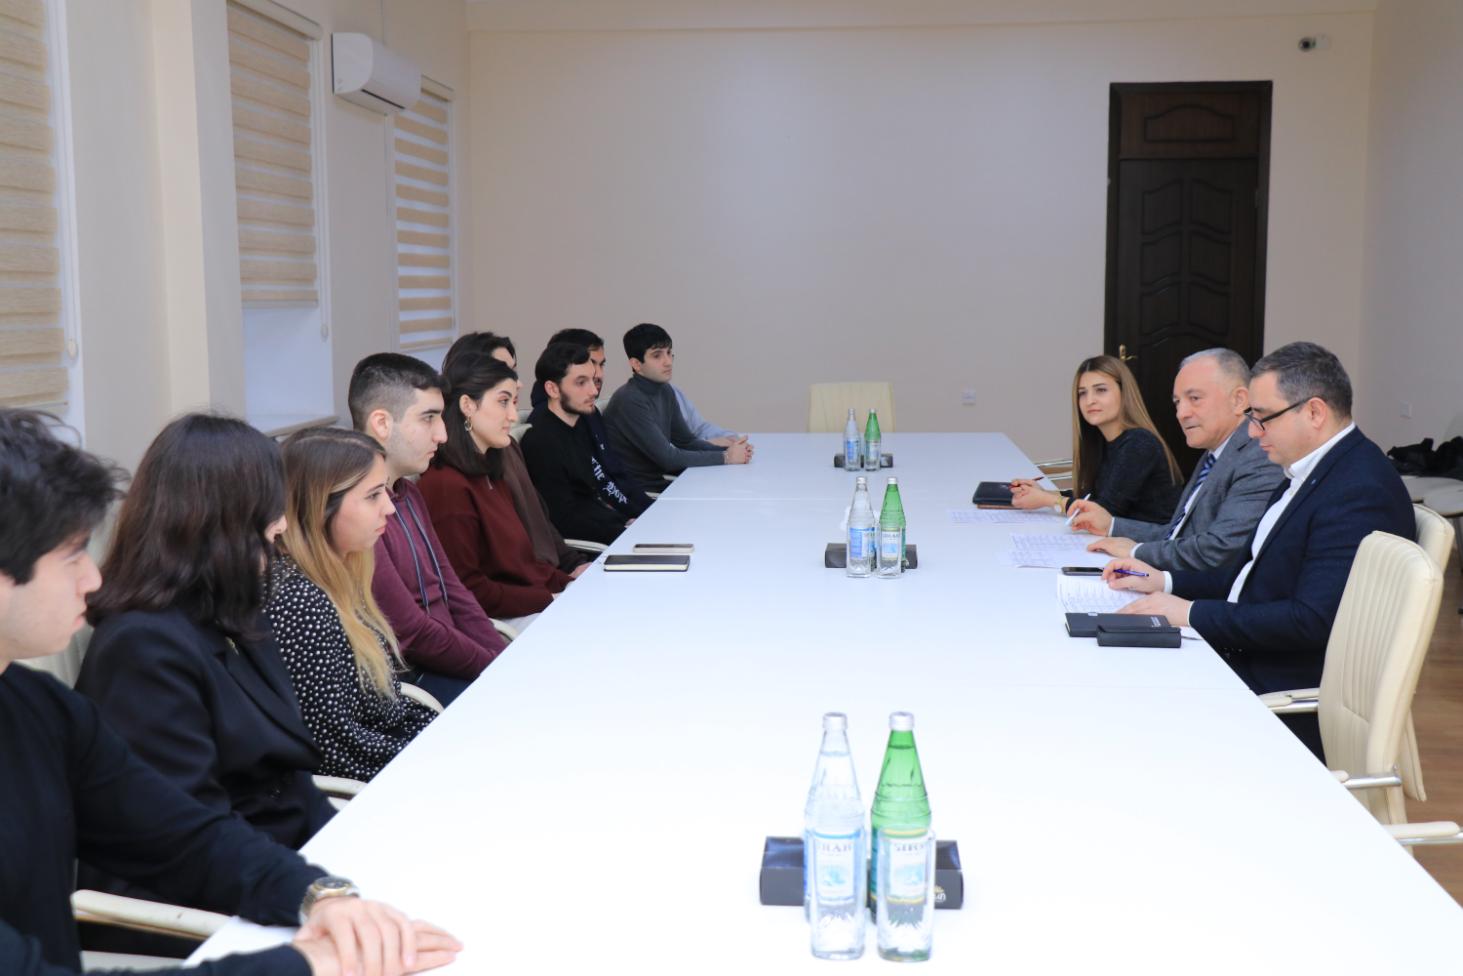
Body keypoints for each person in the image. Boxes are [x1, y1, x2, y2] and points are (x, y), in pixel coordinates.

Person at [0, 409, 459, 976]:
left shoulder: (37, 705)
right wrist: (307, 963)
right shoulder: (137, 649)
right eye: (71, 555)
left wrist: (320, 895)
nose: (92, 579)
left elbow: (182, 835)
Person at [76, 416, 334, 945]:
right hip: (193, 910)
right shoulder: (141, 648)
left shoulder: (234, 611)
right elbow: (186, 836)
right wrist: (316, 893)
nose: (283, 524)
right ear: (222, 520)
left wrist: (348, 857)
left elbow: (289, 775)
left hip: (274, 872)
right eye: (270, 508)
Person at [1103, 342, 1415, 759]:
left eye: (1262, 418)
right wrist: (1165, 581)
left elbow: (1309, 621)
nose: (1251, 432)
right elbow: (1249, 573)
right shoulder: (1309, 469)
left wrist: (1190, 613)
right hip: (1249, 655)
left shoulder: (1357, 490)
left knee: (1121, 698)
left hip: (1277, 690)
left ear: (1314, 412)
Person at [269, 427, 436, 782]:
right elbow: (335, 749)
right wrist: (441, 756)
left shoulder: (340, 571)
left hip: (396, 749)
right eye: (373, 496)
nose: (389, 508)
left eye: (385, 491)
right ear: (320, 507)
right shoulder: (300, 602)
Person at [349, 354, 507, 707]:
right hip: (416, 683)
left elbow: (454, 590)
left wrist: (502, 656)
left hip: (453, 661)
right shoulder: (356, 515)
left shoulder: (409, 493)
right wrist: (495, 666)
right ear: (381, 423)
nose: (443, 434)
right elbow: (410, 632)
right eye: (428, 418)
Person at [1070, 349, 1285, 571]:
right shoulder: (1214, 453)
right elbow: (1177, 533)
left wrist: (1136, 552)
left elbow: (1221, 549)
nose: (1181, 413)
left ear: (1239, 400)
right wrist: (1112, 526)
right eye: (1177, 402)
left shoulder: (1259, 457)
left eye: (1194, 399)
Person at [419, 354, 582, 630]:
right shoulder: (446, 486)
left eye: (513, 402)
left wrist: (572, 584)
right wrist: (551, 598)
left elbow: (525, 564)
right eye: (503, 401)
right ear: (468, 405)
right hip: (501, 623)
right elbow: (470, 589)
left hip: (532, 605)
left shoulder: (489, 471)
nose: (513, 416)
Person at [443, 332, 592, 572]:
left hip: (548, 576)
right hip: (537, 584)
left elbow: (540, 521)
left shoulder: (506, 447)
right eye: (503, 371)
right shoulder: (453, 478)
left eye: (513, 371)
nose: (516, 383)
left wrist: (575, 565)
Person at [1010, 354, 1181, 523]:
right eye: (1082, 393)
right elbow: (1092, 497)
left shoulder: (1139, 443)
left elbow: (1103, 512)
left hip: (1147, 539)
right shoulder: (1102, 442)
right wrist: (1043, 493)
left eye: (1101, 390)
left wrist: (1047, 500)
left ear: (1124, 393)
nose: (1089, 400)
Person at [521, 342, 644, 545]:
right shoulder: (540, 442)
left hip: (611, 528)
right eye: (581, 383)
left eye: (592, 380)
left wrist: (627, 520)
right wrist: (622, 531)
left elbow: (588, 498)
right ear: (552, 389)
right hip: (590, 549)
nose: (593, 391)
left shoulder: (580, 423)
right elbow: (563, 520)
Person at [604, 322, 752, 488]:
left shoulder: (665, 390)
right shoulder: (629, 400)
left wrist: (731, 450)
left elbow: (687, 442)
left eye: (669, 353)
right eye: (657, 356)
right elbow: (668, 458)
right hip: (642, 493)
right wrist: (726, 457)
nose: (668, 362)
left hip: (665, 482)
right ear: (636, 364)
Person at [529, 327, 655, 512]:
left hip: (623, 515)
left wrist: (651, 510)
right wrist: (628, 520)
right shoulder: (551, 426)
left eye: (601, 365)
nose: (598, 375)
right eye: (590, 364)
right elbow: (575, 505)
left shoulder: (588, 412)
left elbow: (616, 472)